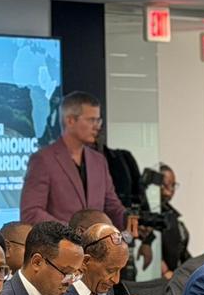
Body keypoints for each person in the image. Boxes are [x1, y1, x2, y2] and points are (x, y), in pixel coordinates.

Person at [20, 91, 131, 231]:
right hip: (61, 244)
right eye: (91, 120)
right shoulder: (43, 160)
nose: (97, 126)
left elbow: (112, 206)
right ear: (70, 120)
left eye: (98, 120)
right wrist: (71, 232)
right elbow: (31, 213)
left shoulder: (99, 161)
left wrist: (129, 219)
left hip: (95, 244)